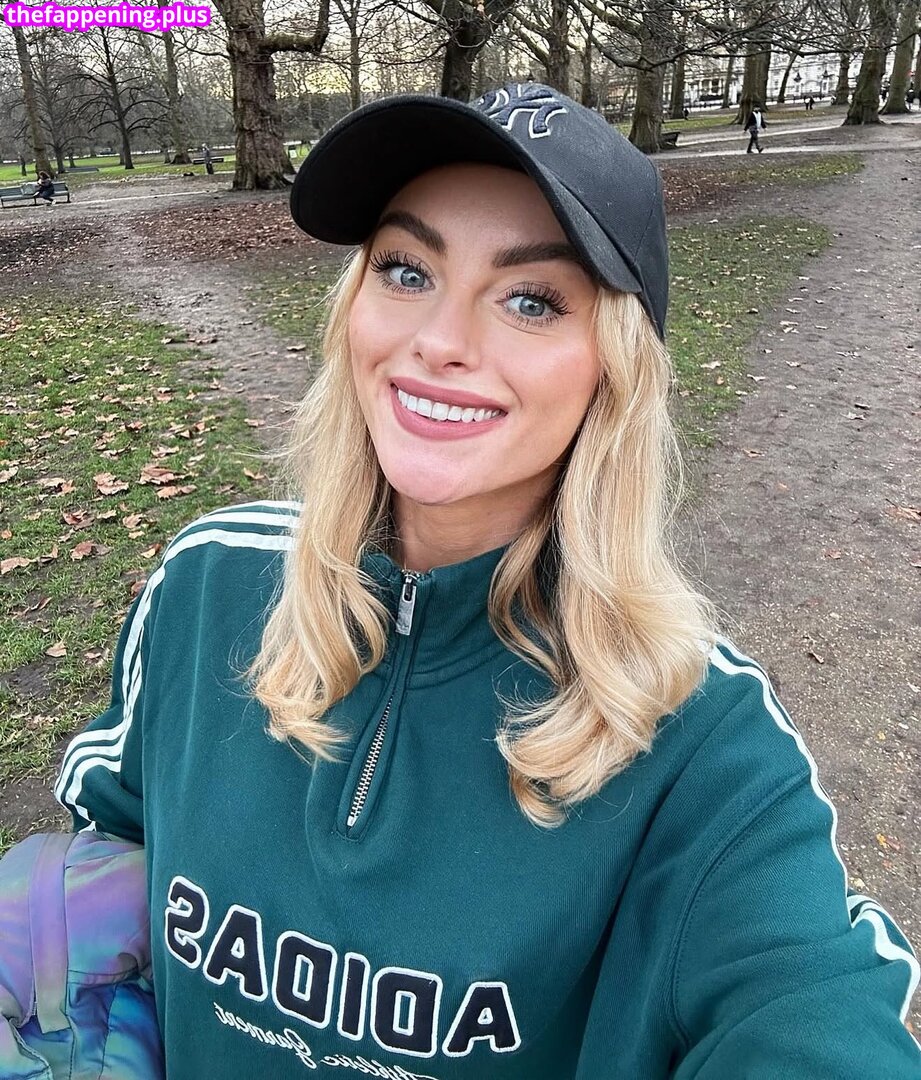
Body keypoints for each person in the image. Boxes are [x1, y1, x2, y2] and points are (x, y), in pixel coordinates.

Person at [48, 83, 919, 1078]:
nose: (441, 341)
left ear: (614, 364)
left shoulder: (703, 741)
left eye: (530, 300)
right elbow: (106, 839)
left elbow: (807, 1005)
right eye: (406, 270)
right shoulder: (204, 588)